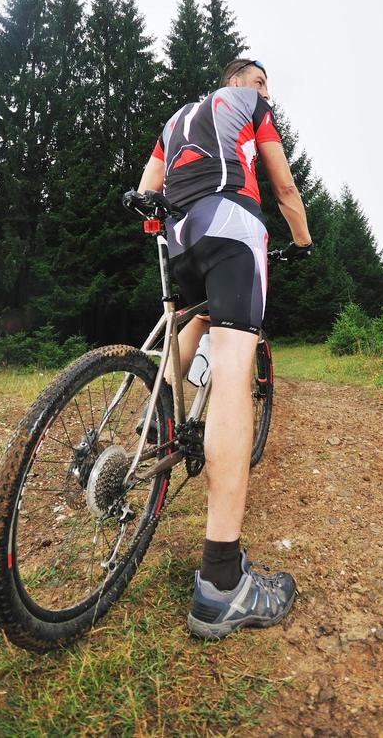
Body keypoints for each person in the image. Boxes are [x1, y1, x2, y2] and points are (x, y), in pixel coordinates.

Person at [135, 58, 313, 639]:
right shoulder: (246, 107)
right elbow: (282, 182)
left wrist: (159, 222)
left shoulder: (176, 118)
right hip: (232, 223)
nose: (267, 91)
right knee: (236, 368)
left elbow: (146, 189)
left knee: (193, 317)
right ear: (237, 83)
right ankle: (221, 582)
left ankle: (152, 423)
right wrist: (303, 240)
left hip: (179, 235)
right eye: (260, 81)